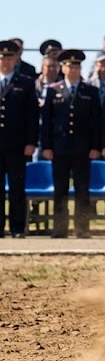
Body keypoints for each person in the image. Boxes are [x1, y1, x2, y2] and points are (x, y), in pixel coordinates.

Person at [39, 50, 103, 238]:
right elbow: (47, 122)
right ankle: (60, 228)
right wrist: (46, 147)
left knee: (83, 190)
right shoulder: (53, 90)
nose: (73, 70)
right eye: (69, 66)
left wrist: (95, 147)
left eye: (76, 67)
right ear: (63, 68)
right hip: (60, 148)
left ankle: (82, 228)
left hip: (83, 149)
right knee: (61, 190)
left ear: (80, 69)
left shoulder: (90, 91)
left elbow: (96, 122)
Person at [0, 40, 39, 238]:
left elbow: (32, 115)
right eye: (2, 58)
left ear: (16, 59)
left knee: (17, 188)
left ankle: (17, 228)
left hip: (17, 145)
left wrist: (31, 142)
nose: (5, 62)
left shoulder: (25, 82)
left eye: (9, 58)